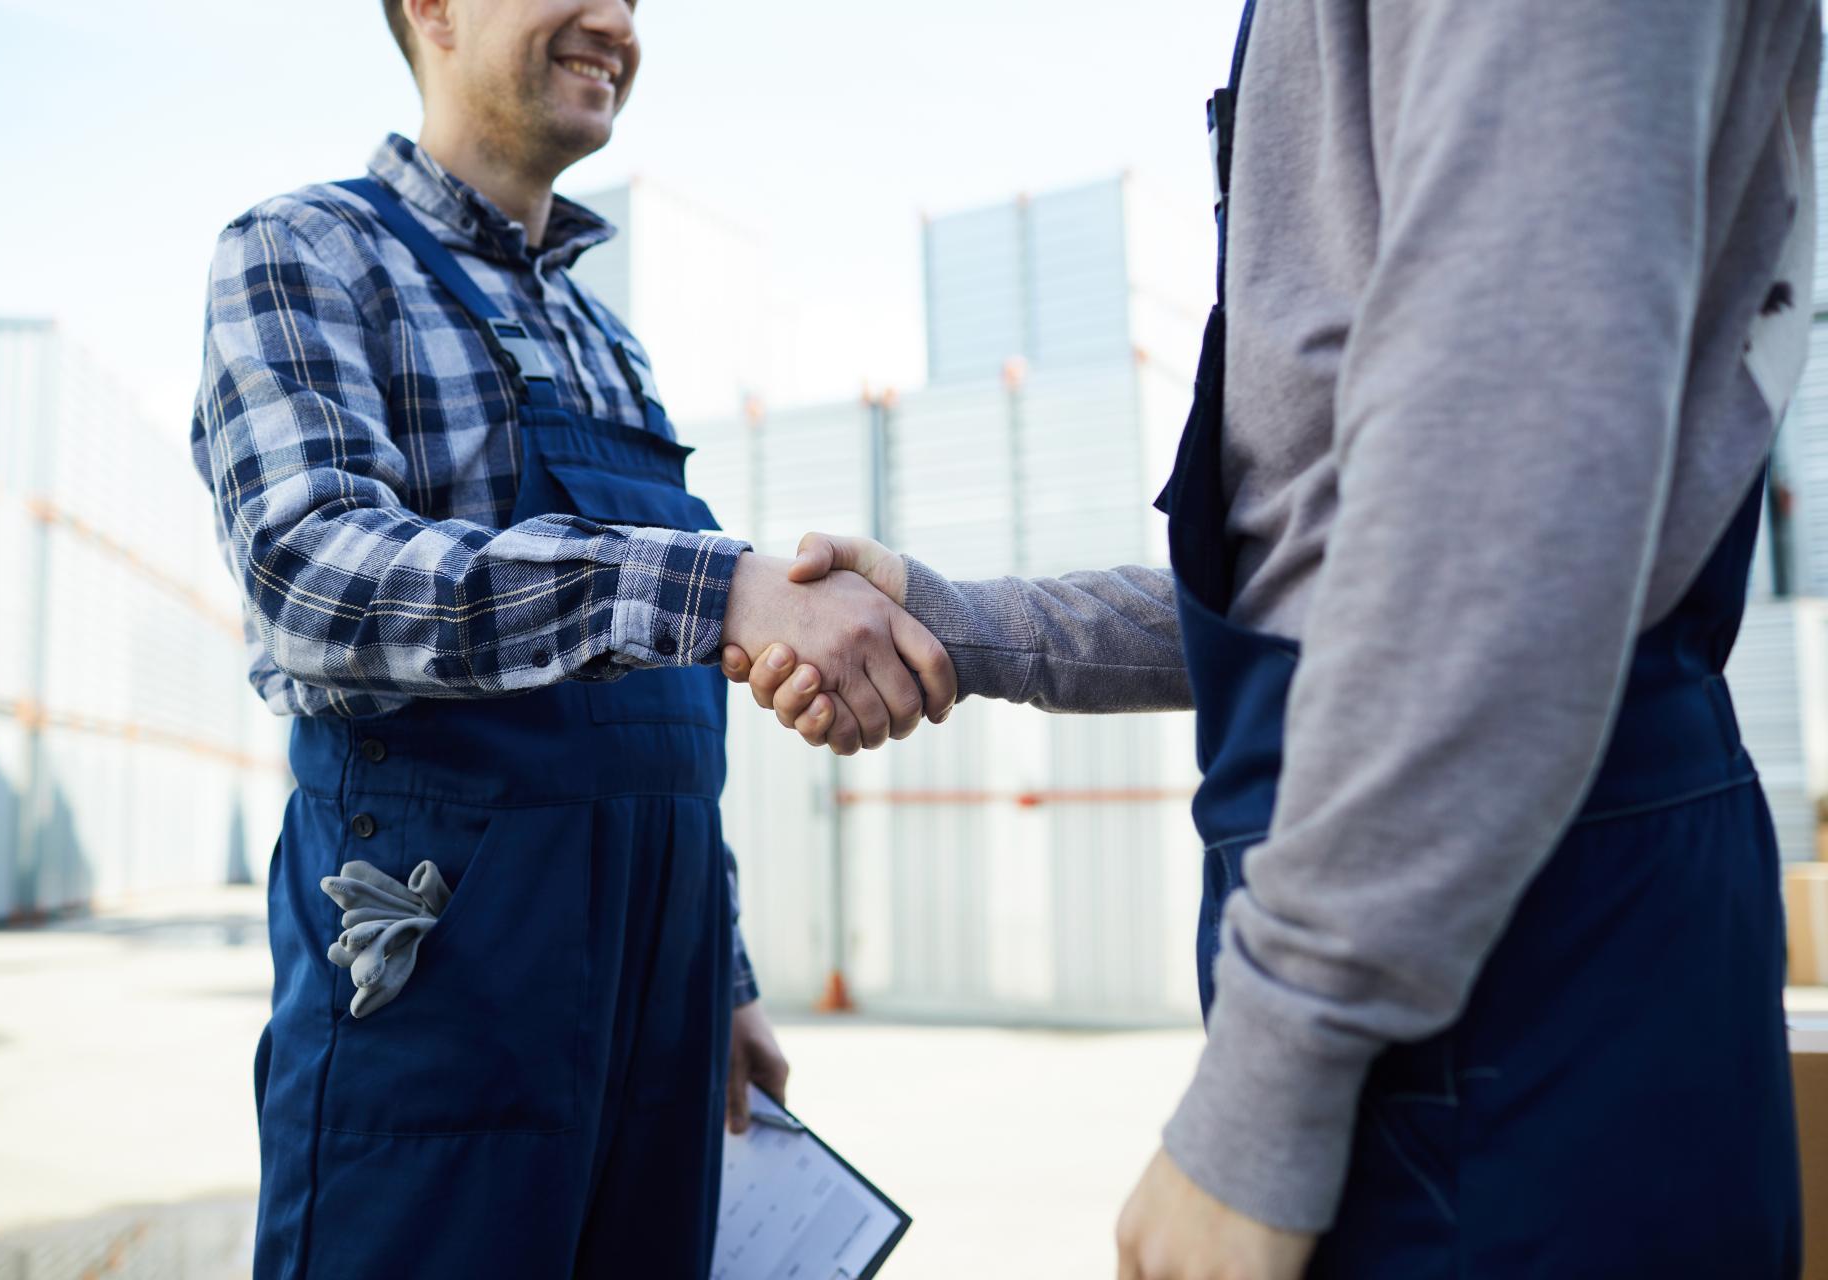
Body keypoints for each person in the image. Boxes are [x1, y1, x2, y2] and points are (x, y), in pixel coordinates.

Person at [726, 1, 1819, 1276]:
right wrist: (958, 623)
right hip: (1470, 921)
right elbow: (1319, 571)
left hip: (1499, 954)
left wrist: (1274, 1072)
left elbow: (1499, 514)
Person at [188, 1, 954, 1276]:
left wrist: (728, 970)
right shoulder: (303, 253)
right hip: (440, 986)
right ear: (431, 8)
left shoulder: (608, 341)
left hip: (661, 1000)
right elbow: (310, 574)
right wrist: (714, 588)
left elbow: (656, 717)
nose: (617, 19)